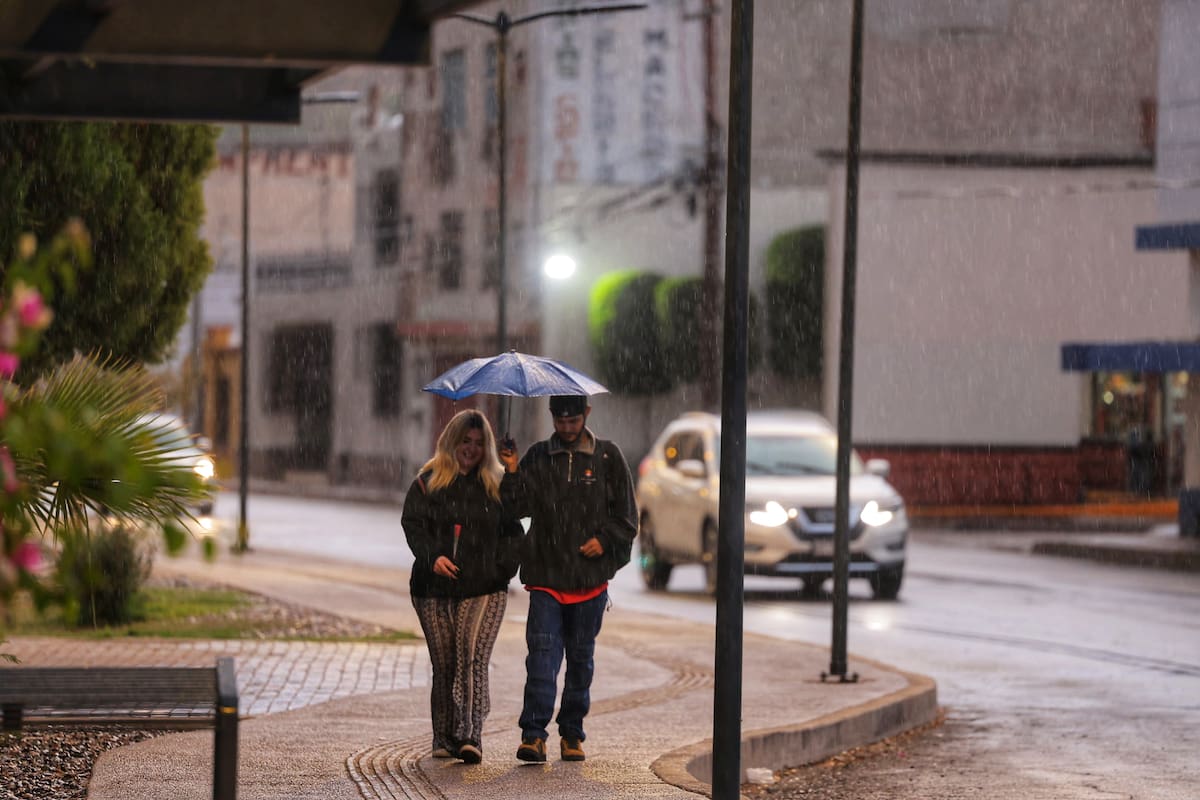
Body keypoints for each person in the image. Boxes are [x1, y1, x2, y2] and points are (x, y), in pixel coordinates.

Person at [498, 394, 638, 763]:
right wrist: (511, 470)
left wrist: (603, 541)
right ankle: (533, 735)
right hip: (546, 577)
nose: (566, 428)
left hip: (589, 583)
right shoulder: (538, 457)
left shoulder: (608, 458)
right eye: (560, 421)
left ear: (586, 414)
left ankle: (572, 734)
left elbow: (627, 519)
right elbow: (514, 509)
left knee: (580, 660)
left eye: (573, 421)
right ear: (552, 418)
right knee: (542, 659)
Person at [402, 409, 523, 764]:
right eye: (464, 441)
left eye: (477, 442)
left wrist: (500, 569)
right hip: (433, 588)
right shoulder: (428, 481)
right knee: (446, 663)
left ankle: (470, 735)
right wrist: (432, 557)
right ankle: (443, 736)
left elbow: (518, 524)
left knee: (471, 658)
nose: (470, 449)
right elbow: (412, 523)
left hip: (484, 587)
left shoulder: (497, 483)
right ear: (451, 442)